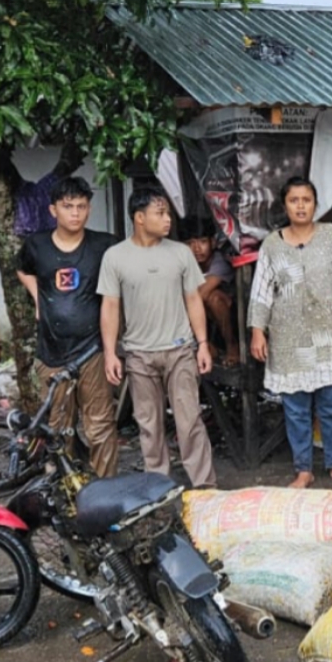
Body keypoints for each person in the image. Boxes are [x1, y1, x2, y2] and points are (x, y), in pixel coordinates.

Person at [248, 176, 332, 491]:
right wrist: (257, 331)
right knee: (296, 409)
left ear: (315, 204)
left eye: (306, 200)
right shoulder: (272, 244)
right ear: (285, 205)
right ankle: (303, 470)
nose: (301, 206)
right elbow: (261, 292)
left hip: (328, 336)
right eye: (294, 200)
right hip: (289, 339)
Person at [98, 185, 217, 489]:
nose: (167, 220)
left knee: (189, 421)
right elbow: (111, 306)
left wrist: (202, 344)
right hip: (138, 355)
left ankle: (204, 486)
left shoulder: (180, 253)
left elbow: (193, 299)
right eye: (160, 213)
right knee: (149, 426)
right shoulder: (115, 257)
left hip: (180, 350)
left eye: (167, 213)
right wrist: (111, 352)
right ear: (140, 218)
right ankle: (158, 487)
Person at [16, 175, 120, 477]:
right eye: (68, 206)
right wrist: (38, 297)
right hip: (51, 352)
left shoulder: (105, 245)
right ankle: (66, 488)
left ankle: (105, 488)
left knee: (100, 423)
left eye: (81, 206)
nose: (75, 213)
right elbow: (22, 270)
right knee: (60, 426)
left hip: (93, 351)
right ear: (53, 210)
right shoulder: (36, 246)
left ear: (89, 209)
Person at [178, 218, 241, 367]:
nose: (196, 248)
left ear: (212, 243)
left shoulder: (220, 261)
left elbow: (201, 294)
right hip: (205, 322)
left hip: (232, 320)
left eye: (202, 242)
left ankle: (232, 346)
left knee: (213, 298)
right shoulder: (184, 264)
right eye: (190, 243)